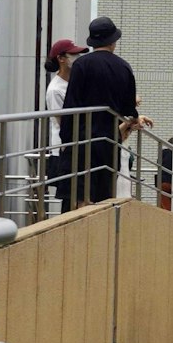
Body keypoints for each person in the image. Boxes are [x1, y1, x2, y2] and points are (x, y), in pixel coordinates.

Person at [60, 18, 150, 205]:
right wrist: (133, 118)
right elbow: (128, 108)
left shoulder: (81, 65)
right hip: (109, 139)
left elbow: (71, 104)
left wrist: (66, 138)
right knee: (104, 194)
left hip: (82, 139)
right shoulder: (123, 67)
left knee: (80, 194)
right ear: (113, 41)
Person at [44, 37, 88, 212]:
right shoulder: (56, 89)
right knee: (70, 196)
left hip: (76, 145)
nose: (77, 58)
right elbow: (61, 121)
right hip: (64, 148)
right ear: (61, 58)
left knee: (78, 194)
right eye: (73, 54)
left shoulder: (73, 83)